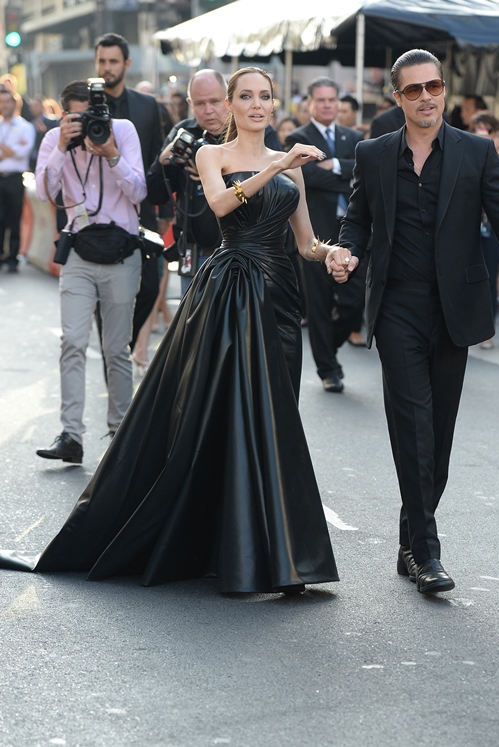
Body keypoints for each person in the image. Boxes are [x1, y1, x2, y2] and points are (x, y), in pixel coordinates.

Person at [0, 67, 349, 594]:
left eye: (265, 96)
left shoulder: (291, 166)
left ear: (274, 105)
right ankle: (233, 549)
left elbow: (305, 243)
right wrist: (277, 164)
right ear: (230, 105)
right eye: (246, 96)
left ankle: (276, 552)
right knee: (228, 414)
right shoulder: (214, 155)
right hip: (231, 294)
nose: (257, 104)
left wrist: (333, 251)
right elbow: (222, 204)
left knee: (276, 418)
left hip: (279, 297)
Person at [336, 49, 499, 594]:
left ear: (444, 90)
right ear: (397, 97)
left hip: (455, 311)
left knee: (439, 439)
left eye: (434, 86)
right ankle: (427, 552)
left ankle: (409, 539)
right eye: (414, 89)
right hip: (397, 306)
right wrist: (346, 252)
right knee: (413, 429)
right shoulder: (373, 154)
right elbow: (358, 222)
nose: (426, 97)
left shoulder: (477, 151)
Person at [34, 80, 146, 463]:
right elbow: (45, 192)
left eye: (92, 116)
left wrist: (112, 154)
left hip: (122, 253)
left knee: (117, 349)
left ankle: (120, 433)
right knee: (72, 342)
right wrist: (62, 148)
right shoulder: (55, 139)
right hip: (79, 253)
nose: (86, 125)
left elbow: (139, 192)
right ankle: (71, 435)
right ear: (65, 115)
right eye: (77, 118)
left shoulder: (122, 131)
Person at [285, 77, 364, 393]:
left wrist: (334, 166)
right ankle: (328, 370)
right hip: (314, 235)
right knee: (318, 303)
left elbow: (364, 172)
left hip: (352, 231)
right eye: (321, 100)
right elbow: (306, 177)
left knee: (355, 301)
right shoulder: (298, 138)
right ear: (310, 104)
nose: (328, 105)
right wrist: (346, 175)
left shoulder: (354, 137)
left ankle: (328, 349)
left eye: (332, 99)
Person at [94, 32, 170, 348]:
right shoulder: (86, 104)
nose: (106, 68)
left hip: (142, 210)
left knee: (150, 286)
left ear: (126, 63)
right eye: (101, 61)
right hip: (99, 213)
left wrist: (165, 209)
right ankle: (113, 358)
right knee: (103, 293)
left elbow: (158, 159)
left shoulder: (147, 106)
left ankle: (122, 345)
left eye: (113, 61)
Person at [470, 112, 499, 349]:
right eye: (478, 129)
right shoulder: (463, 156)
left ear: (496, 134)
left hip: (491, 227)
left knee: (488, 277)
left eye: (487, 129)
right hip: (465, 226)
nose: (482, 133)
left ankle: (486, 331)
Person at [0, 89, 35, 273]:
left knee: (14, 219)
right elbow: (15, 151)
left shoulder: (25, 127)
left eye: (7, 101)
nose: (4, 105)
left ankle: (13, 258)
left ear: (14, 103)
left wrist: (5, 149)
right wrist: (12, 148)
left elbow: (23, 152)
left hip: (14, 179)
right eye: (1, 101)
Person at [28, 94, 58, 172]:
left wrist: (44, 131)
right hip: (33, 160)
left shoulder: (52, 121)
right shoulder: (30, 124)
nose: (33, 108)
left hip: (47, 158)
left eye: (36, 106)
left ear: (42, 106)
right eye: (32, 106)